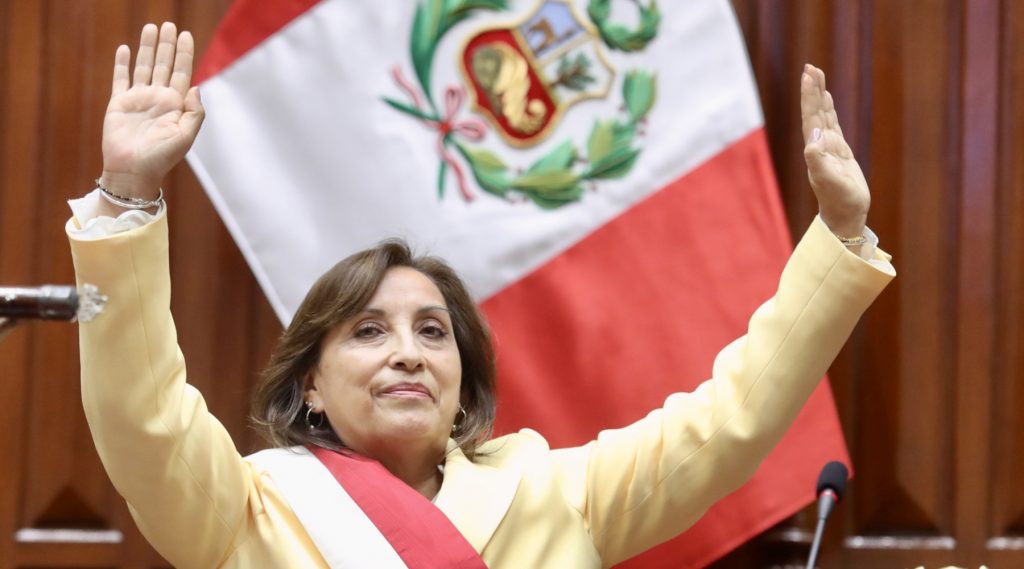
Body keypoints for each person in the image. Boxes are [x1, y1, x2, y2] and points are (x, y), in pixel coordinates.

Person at [67, 22, 894, 569]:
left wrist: (839, 233)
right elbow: (144, 413)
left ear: (462, 378)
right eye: (368, 330)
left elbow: (731, 418)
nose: (408, 352)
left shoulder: (557, 493)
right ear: (309, 382)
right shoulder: (244, 507)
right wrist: (127, 193)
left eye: (433, 331)